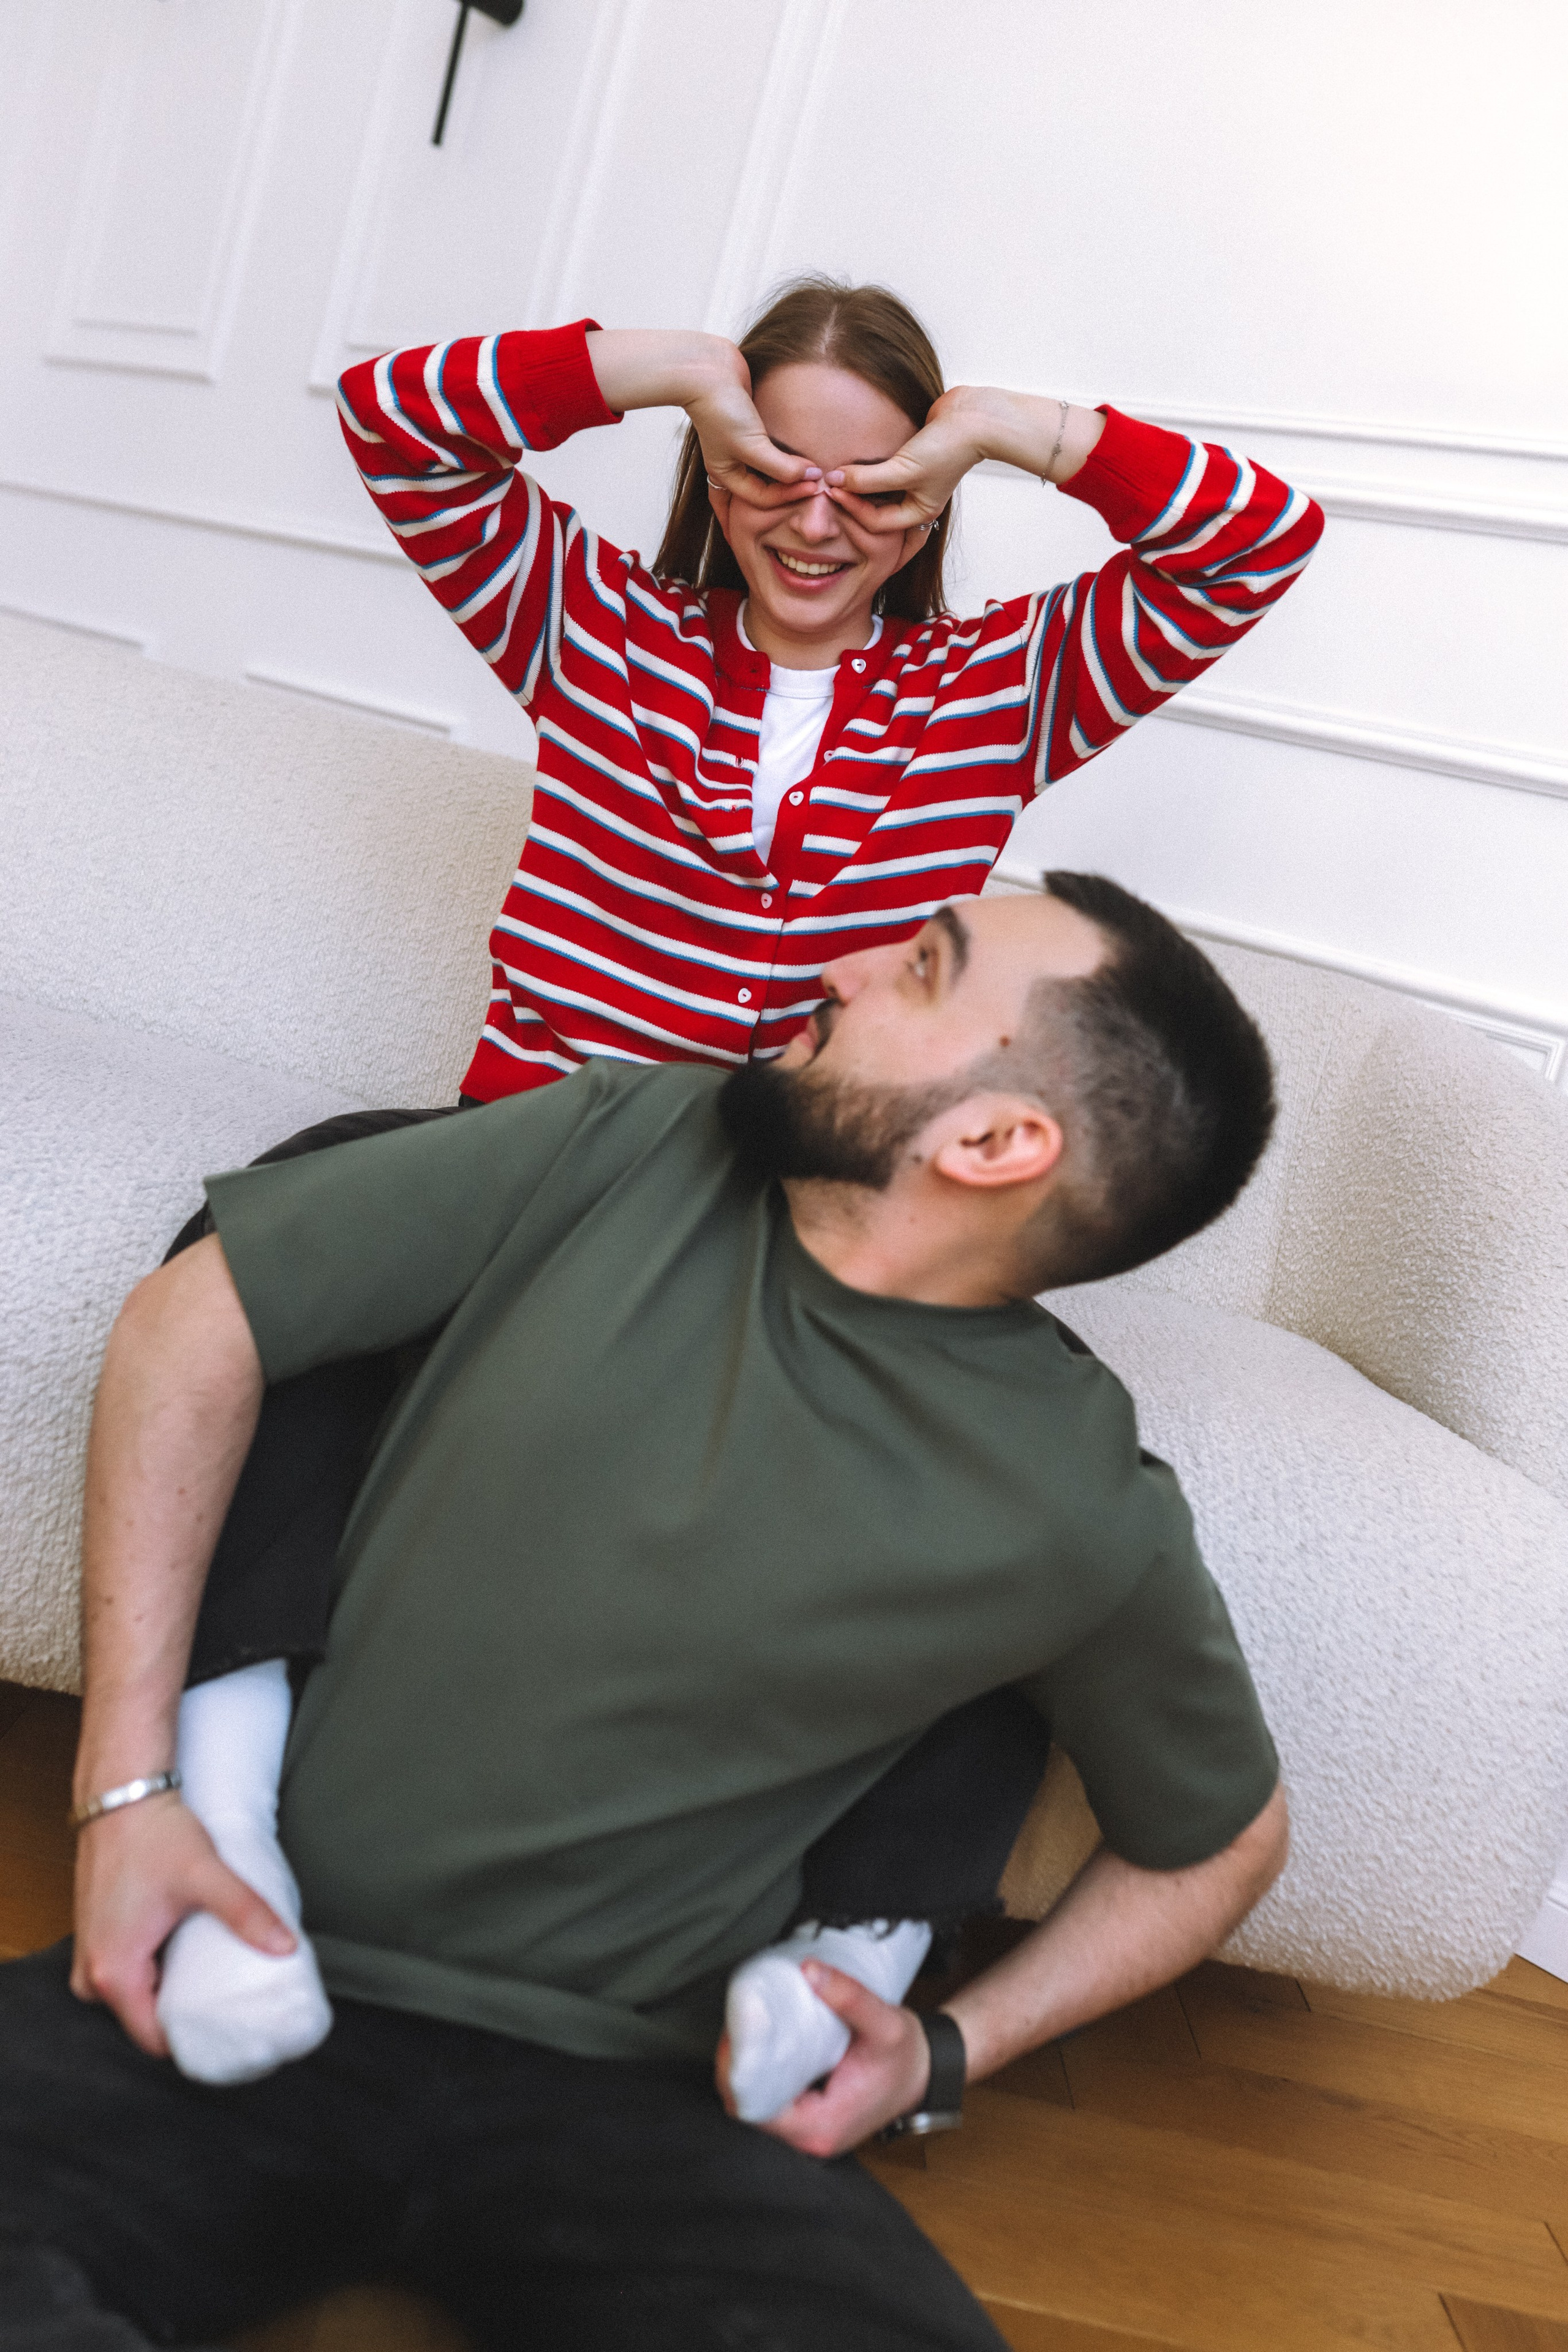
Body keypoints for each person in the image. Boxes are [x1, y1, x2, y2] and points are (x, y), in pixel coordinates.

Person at [156, 276, 1322, 2098]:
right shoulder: (594, 620)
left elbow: (1256, 543)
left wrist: (1005, 429)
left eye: (879, 488)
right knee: (285, 1226)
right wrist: (666, 375)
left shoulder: (995, 686)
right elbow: (397, 417)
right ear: (716, 466)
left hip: (818, 1218)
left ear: (934, 505)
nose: (820, 519)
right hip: (546, 1197)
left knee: (995, 1534)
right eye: (777, 469)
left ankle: (845, 1952)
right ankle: (222, 1815)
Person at [2, 878, 1288, 2351]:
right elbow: (201, 1316)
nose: (849, 962)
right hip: (237, 1969)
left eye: (921, 970)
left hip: (643, 2104)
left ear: (992, 1142)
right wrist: (127, 1795)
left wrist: (943, 2047)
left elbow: (1219, 1840)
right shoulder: (632, 1140)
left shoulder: (1080, 1506)